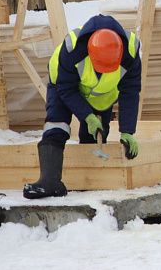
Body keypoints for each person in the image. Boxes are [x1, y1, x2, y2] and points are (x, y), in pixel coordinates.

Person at [23, 14, 142, 199]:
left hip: (101, 94)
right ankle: (49, 181)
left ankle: (89, 182)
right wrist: (87, 115)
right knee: (57, 124)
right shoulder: (72, 49)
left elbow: (131, 92)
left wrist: (127, 131)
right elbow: (67, 88)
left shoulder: (130, 53)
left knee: (94, 134)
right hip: (63, 85)